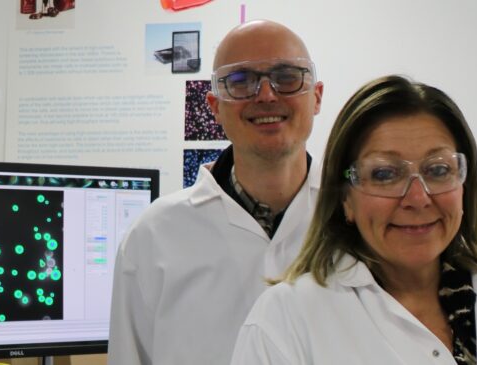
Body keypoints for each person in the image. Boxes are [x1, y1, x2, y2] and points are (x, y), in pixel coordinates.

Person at [230, 75, 477, 365]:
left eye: (438, 170)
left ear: (464, 184)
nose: (417, 198)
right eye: (384, 174)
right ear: (345, 197)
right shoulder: (287, 319)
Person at [108, 20, 324, 365]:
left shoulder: (357, 220)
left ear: (316, 97)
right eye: (240, 81)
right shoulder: (153, 236)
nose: (266, 95)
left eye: (286, 77)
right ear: (214, 107)